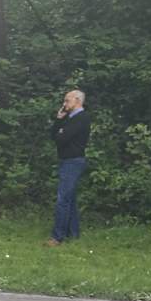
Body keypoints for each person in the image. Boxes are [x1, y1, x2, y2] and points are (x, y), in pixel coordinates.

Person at [46, 89, 91, 246]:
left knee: (63, 200)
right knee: (69, 199)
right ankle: (73, 233)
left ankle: (57, 237)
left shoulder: (82, 117)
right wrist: (59, 121)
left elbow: (61, 139)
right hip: (67, 161)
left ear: (77, 101)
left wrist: (61, 132)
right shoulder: (69, 118)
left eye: (67, 100)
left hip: (73, 161)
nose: (64, 104)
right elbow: (54, 136)